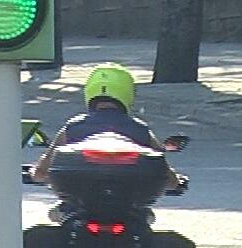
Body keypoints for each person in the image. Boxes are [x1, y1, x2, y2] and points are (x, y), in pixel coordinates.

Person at [30, 64, 184, 194]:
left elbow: (40, 173)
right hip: (128, 208)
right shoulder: (140, 129)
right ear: (127, 92)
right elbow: (168, 179)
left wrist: (33, 173)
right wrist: (177, 182)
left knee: (55, 214)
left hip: (79, 207)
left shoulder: (73, 127)